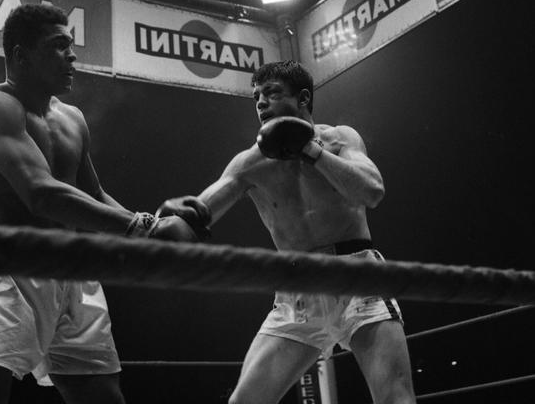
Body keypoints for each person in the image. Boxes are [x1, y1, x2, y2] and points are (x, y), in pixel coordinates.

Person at [0, 3, 209, 404]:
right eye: (58, 46)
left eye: (71, 45)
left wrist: (149, 231)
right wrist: (146, 228)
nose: (72, 56)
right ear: (21, 55)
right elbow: (41, 193)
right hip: (11, 264)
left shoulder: (72, 117)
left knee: (101, 394)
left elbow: (93, 194)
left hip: (74, 269)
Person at [157, 60, 416, 404]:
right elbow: (199, 213)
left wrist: (310, 150)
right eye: (256, 97)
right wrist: (172, 222)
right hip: (297, 291)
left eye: (272, 93)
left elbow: (372, 191)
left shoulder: (340, 139)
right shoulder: (249, 163)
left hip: (359, 279)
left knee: (395, 399)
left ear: (303, 98)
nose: (261, 102)